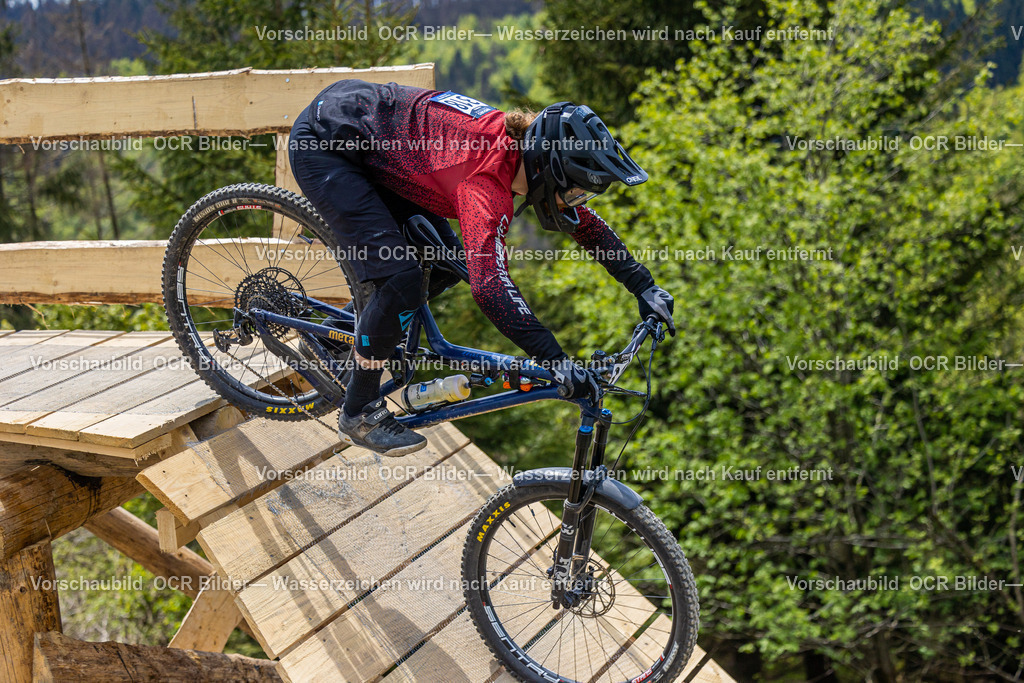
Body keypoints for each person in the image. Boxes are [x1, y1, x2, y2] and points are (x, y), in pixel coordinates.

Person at [288, 80, 675, 457]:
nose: (576, 201)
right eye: (575, 191)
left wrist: (643, 286)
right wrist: (556, 361)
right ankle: (359, 413)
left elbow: (585, 225)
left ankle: (334, 337)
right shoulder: (485, 185)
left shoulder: (521, 150)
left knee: (444, 264)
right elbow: (489, 288)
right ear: (547, 170)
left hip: (375, 141)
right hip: (329, 144)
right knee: (401, 279)